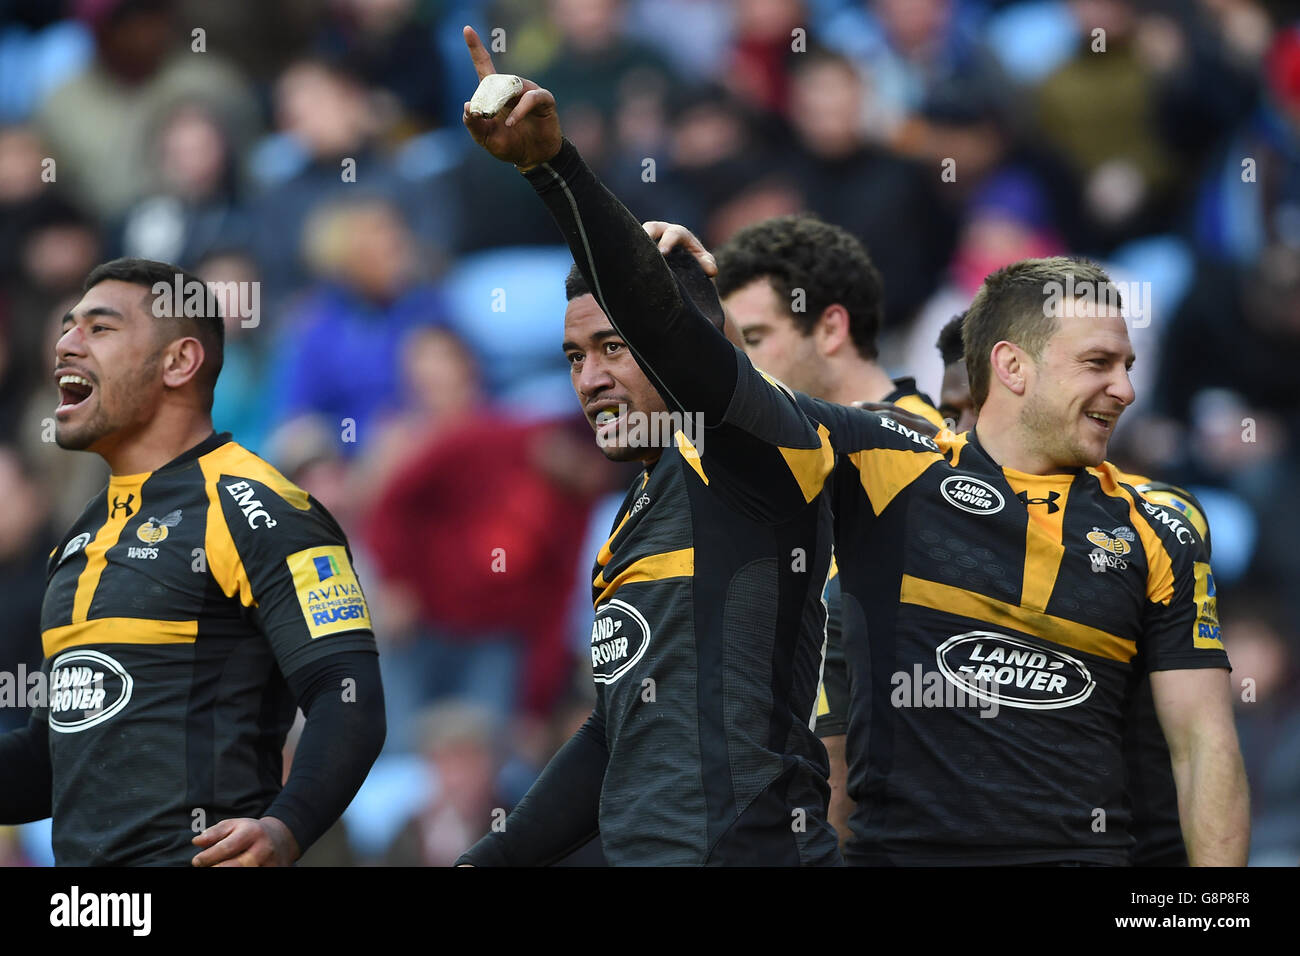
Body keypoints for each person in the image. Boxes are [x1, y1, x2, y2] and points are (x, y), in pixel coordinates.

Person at [454, 27, 840, 866]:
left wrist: (551, 169)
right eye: (571, 357)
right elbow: (612, 734)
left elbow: (662, 320)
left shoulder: (757, 448)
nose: (588, 379)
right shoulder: (633, 510)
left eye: (614, 349)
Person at [0, 257, 385, 866]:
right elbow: (52, 759)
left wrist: (287, 827)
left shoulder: (257, 507)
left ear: (179, 362)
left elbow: (348, 694)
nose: (65, 344)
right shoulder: (77, 539)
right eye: (68, 327)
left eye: (99, 329)